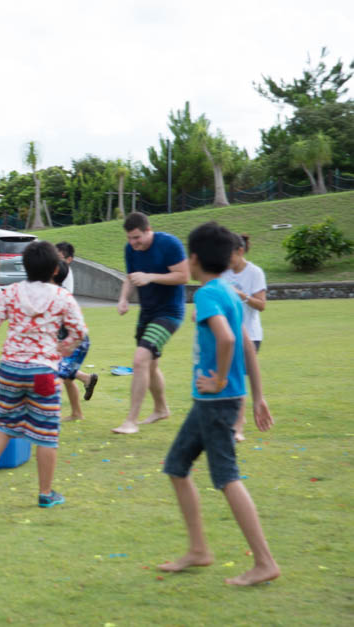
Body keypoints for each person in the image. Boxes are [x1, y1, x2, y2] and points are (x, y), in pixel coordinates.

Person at [158, 221, 279, 586]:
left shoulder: (210, 293)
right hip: (217, 401)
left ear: (193, 258)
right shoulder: (229, 290)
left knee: (227, 477)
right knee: (177, 466)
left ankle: (264, 562)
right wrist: (257, 396)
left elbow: (227, 341)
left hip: (216, 400)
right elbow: (245, 345)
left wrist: (220, 380)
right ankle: (198, 550)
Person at [0, 241, 86, 509]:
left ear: (25, 266)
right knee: (47, 432)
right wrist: (61, 349)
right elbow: (79, 331)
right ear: (56, 269)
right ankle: (45, 493)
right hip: (43, 372)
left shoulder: (10, 292)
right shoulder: (62, 297)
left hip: (11, 369)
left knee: (3, 423)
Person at [112, 212, 189, 435]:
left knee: (140, 359)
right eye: (129, 238)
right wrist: (123, 299)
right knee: (151, 364)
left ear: (148, 230)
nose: (133, 243)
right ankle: (161, 409)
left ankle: (130, 421)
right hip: (147, 313)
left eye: (137, 238)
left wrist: (151, 276)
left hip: (169, 313)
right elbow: (130, 277)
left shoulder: (169, 244)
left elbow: (184, 276)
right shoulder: (131, 250)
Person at [221, 233, 266, 443]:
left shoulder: (255, 273)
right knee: (230, 378)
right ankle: (234, 421)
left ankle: (238, 425)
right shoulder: (223, 274)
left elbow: (261, 305)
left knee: (237, 376)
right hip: (227, 333)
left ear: (240, 251)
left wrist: (243, 296)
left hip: (251, 334)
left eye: (228, 254)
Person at [51, 261, 98, 421]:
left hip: (75, 343)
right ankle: (77, 413)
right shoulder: (54, 293)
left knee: (57, 376)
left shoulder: (60, 295)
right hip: (67, 342)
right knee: (68, 378)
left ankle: (49, 417)